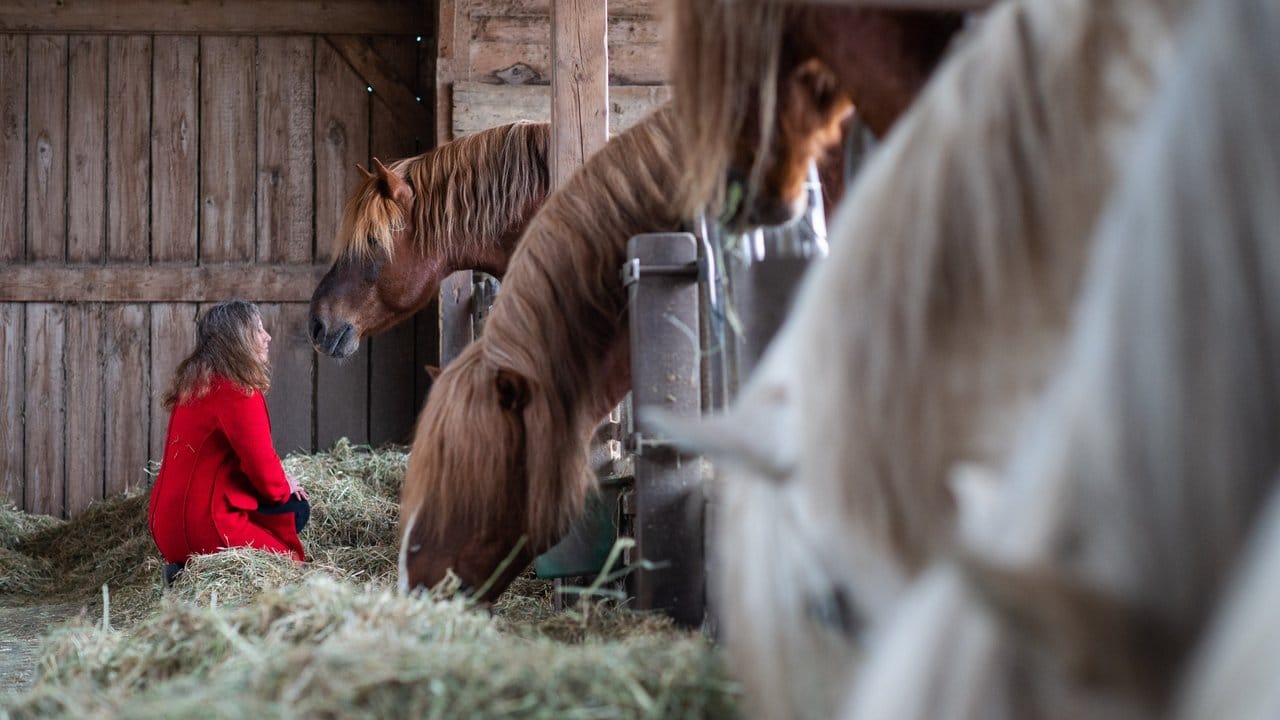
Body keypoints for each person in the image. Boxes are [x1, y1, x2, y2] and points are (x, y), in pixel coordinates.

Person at [148, 300, 309, 587]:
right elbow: (263, 472)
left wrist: (280, 483)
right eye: (258, 329)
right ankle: (198, 570)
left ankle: (185, 572)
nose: (267, 336)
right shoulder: (238, 392)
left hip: (166, 528)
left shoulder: (196, 384)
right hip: (204, 527)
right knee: (291, 544)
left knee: (283, 506)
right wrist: (285, 486)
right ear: (240, 340)